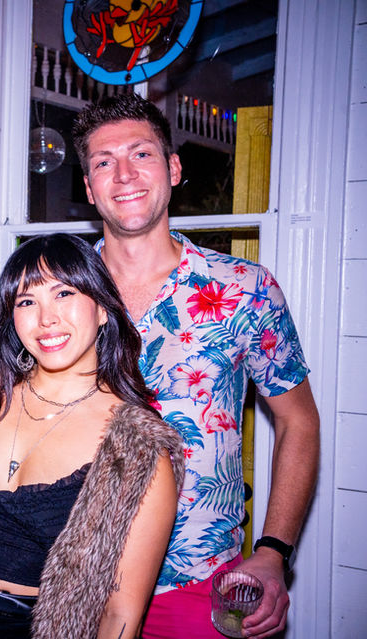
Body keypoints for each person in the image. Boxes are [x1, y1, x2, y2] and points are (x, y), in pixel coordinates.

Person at [72, 93, 320, 639]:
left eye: (141, 154)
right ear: (89, 188)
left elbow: (298, 421)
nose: (124, 174)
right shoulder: (60, 291)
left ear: (174, 168)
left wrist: (273, 552)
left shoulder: (245, 289)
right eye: (104, 162)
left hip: (198, 579)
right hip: (72, 576)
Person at [0, 233, 184, 639]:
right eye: (27, 302)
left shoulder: (140, 450)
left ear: (102, 308)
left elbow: (120, 614)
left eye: (64, 294)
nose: (46, 318)